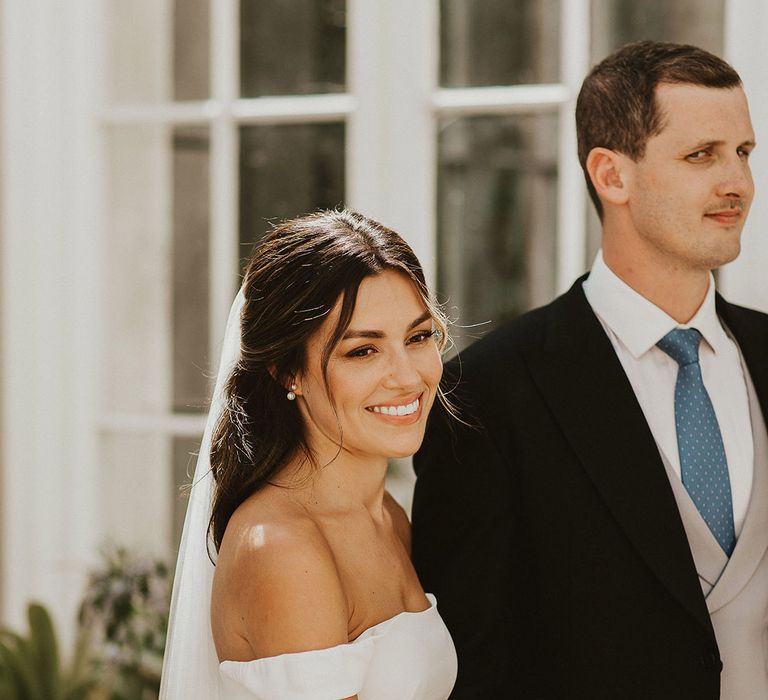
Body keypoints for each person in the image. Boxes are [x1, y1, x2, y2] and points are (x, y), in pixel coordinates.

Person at [412, 40, 768, 699]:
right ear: (611, 175)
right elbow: (476, 668)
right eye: (701, 156)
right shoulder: (489, 396)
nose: (737, 184)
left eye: (743, 152)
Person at [160, 210, 457, 699]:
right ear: (287, 371)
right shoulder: (283, 548)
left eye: (418, 337)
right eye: (363, 351)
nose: (408, 376)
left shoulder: (387, 516)